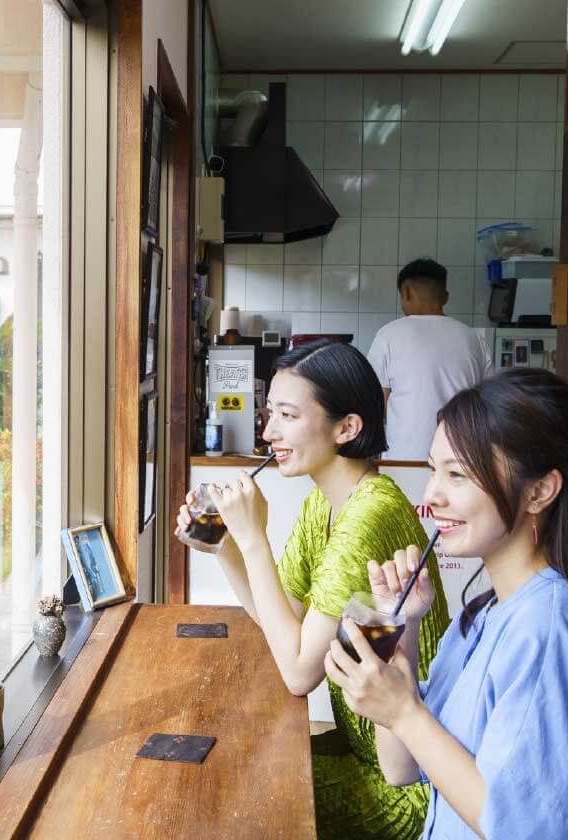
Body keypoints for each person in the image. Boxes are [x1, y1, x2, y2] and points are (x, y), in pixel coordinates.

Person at [324, 368, 568, 840]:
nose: (432, 496)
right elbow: (400, 767)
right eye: (433, 470)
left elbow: (527, 830)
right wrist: (401, 631)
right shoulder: (485, 614)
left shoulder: (545, 626)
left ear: (539, 491)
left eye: (458, 474)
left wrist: (407, 712)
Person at [177, 339, 451, 840]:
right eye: (269, 414)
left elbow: (299, 672)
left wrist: (254, 537)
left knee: (230, 796)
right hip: (366, 747)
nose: (268, 432)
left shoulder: (369, 514)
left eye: (287, 415)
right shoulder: (324, 503)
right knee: (230, 758)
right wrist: (227, 548)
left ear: (347, 428)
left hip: (406, 785)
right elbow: (284, 620)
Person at [366, 258, 492, 461]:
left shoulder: (388, 335)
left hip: (405, 460)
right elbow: (486, 404)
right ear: (446, 297)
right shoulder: (475, 339)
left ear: (406, 293)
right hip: (462, 459)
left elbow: (376, 403)